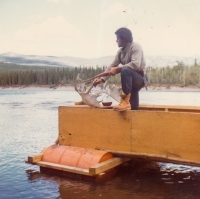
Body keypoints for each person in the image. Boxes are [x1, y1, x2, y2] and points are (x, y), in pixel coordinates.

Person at [93, 27, 146, 111]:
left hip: (140, 79)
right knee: (134, 109)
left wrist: (118, 69)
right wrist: (102, 79)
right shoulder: (120, 52)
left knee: (125, 70)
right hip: (131, 82)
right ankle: (129, 107)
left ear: (124, 39)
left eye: (117, 38)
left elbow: (136, 64)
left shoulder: (135, 46)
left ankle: (125, 101)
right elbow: (112, 66)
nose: (116, 40)